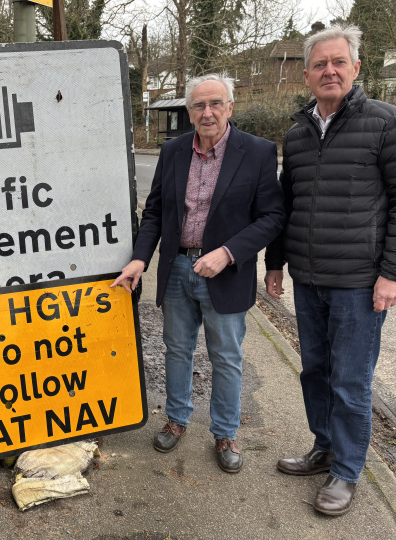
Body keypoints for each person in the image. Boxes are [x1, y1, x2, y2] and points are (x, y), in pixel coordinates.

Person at [265, 24, 396, 515]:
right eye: (320, 64)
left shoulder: (389, 122)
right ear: (306, 74)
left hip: (360, 285)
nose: (330, 71)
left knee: (351, 380)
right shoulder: (297, 134)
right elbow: (286, 205)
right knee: (315, 371)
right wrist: (275, 265)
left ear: (356, 68)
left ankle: (346, 471)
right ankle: (325, 447)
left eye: (339, 62)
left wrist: (394, 273)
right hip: (308, 280)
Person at [112, 74, 285, 473]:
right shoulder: (173, 151)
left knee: (226, 357)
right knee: (177, 349)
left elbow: (273, 217)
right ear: (188, 111)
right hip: (177, 269)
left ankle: (225, 432)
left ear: (230, 106)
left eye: (215, 104)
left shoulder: (257, 152)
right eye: (198, 106)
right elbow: (155, 212)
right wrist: (140, 258)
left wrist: (228, 253)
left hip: (225, 273)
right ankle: (177, 419)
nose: (207, 113)